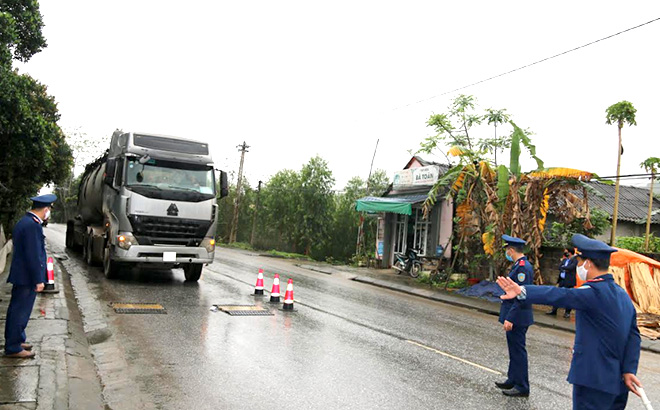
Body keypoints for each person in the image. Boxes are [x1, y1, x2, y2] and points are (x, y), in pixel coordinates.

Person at [497, 234, 642, 409]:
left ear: (588, 264)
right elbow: (634, 336)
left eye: (579, 262)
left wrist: (522, 291)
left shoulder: (593, 292)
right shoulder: (622, 294)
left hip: (593, 381)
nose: (578, 266)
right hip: (617, 383)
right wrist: (629, 370)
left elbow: (560, 295)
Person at [4, 194, 55, 359]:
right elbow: (33, 255)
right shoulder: (32, 225)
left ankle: (17, 340)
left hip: (22, 274)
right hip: (26, 276)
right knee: (20, 312)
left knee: (17, 310)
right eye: (49, 210)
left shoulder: (25, 221)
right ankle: (13, 347)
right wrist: (39, 279)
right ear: (46, 209)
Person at [494, 234, 534, 397]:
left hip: (518, 316)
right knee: (514, 349)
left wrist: (510, 317)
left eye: (507, 251)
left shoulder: (522, 267)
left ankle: (522, 386)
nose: (507, 254)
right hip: (516, 314)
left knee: (518, 351)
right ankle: (513, 379)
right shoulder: (519, 265)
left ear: (511, 250)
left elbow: (520, 296)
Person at [546, 247, 577, 318]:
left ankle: (567, 312)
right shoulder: (565, 260)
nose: (565, 253)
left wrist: (564, 267)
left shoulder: (574, 260)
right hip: (562, 280)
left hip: (569, 281)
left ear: (570, 252)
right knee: (557, 295)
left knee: (568, 297)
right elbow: (559, 267)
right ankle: (554, 310)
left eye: (566, 252)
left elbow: (571, 268)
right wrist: (564, 267)